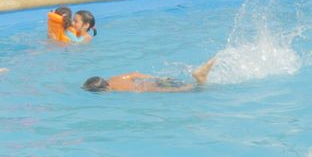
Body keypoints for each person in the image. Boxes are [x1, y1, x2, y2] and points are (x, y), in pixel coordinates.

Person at [83, 56, 217, 94]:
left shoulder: (118, 89)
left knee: (196, 90)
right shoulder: (114, 78)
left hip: (155, 86)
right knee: (191, 86)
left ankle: (200, 78)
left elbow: (141, 90)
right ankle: (200, 77)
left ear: (104, 90)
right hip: (156, 80)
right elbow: (134, 74)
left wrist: (165, 91)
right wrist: (157, 78)